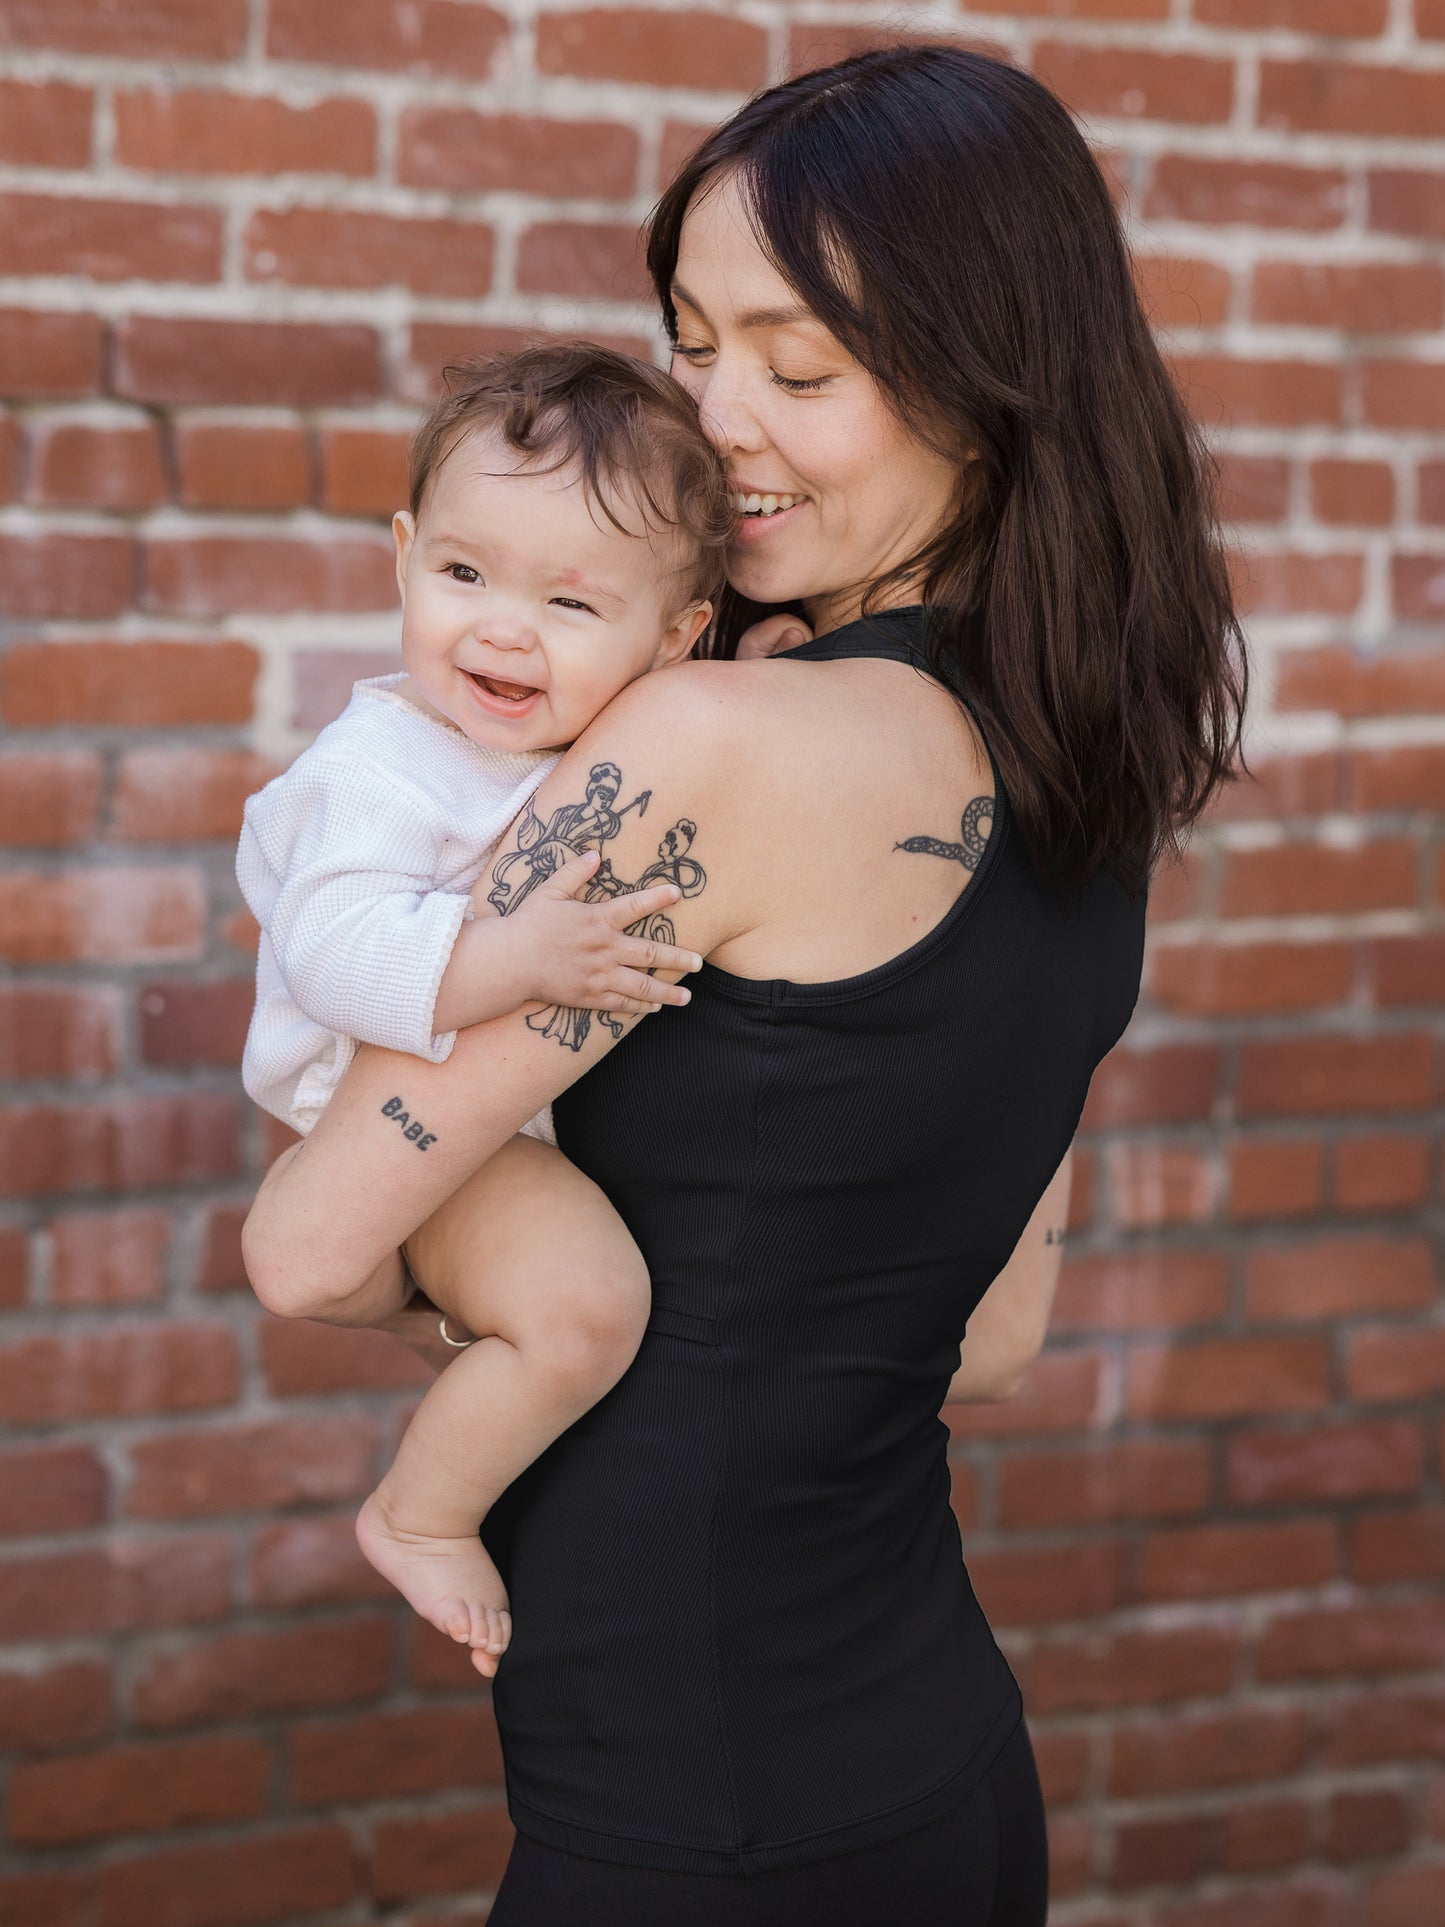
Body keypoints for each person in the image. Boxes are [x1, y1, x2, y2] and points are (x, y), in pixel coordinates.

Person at [242, 43, 1247, 1926]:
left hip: (694, 1822)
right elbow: (1000, 1339)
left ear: (991, 381)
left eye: (801, 369)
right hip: (932, 1774)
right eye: (692, 346)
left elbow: (309, 1249)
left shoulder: (704, 738)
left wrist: (508, 1315)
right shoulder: (1086, 772)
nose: (714, 422)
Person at [236, 343, 732, 1672]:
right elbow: (333, 950)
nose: (500, 627)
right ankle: (425, 1513)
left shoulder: (597, 734)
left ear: (674, 638)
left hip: (501, 1109)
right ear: (402, 556)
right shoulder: (382, 764)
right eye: (462, 573)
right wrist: (516, 962)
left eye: (571, 604)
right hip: (385, 1093)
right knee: (585, 1309)